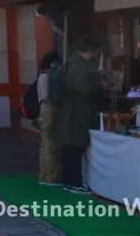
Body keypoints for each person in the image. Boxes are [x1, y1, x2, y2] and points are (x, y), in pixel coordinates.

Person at [56, 36, 104, 194]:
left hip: (71, 112)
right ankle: (75, 182)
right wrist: (100, 86)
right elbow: (85, 89)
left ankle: (68, 181)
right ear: (91, 51)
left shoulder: (72, 63)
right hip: (77, 113)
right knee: (74, 148)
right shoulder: (79, 66)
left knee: (69, 148)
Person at [36, 50, 62, 187]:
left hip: (44, 111)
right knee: (50, 145)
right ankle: (52, 177)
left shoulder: (41, 75)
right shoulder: (46, 77)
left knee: (44, 145)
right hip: (49, 111)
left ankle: (44, 175)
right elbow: (47, 96)